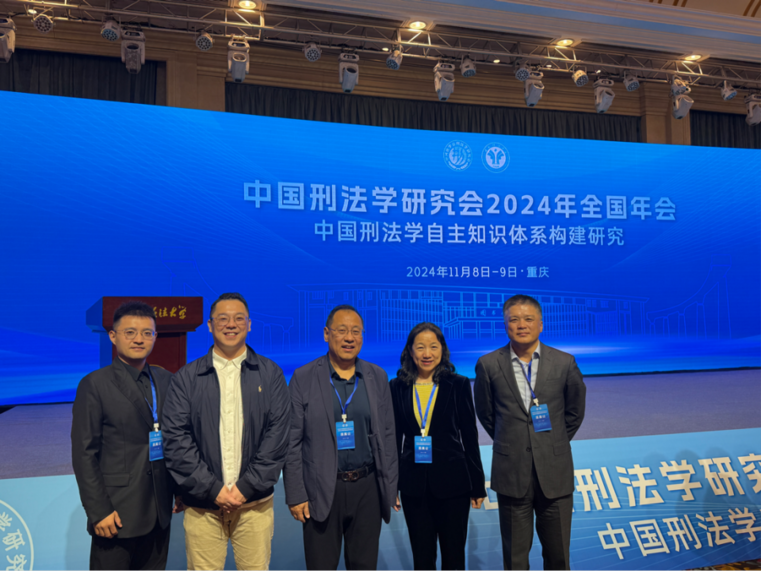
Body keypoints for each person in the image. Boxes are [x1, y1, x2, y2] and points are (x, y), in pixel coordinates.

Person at [162, 292, 291, 571]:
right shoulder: (186, 378)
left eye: (238, 318)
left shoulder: (271, 374)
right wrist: (213, 489)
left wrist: (246, 487)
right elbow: (176, 439)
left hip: (255, 506)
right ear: (210, 325)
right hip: (202, 507)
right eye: (223, 319)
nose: (231, 324)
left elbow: (278, 437)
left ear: (249, 324)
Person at [474, 294, 586, 571]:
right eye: (514, 319)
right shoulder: (488, 364)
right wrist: (514, 441)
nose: (521, 325)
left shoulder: (564, 362)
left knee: (558, 558)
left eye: (528, 319)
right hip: (511, 472)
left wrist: (550, 442)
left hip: (555, 472)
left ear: (541, 324)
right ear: (505, 325)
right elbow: (487, 414)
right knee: (515, 559)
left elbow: (574, 412)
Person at [283, 304, 398, 571]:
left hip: (367, 488)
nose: (349, 338)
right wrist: (296, 494)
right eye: (342, 330)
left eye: (356, 331)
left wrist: (390, 486)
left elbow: (388, 435)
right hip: (321, 489)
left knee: (364, 565)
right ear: (326, 334)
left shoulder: (377, 376)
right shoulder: (303, 377)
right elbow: (291, 442)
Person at [72, 301, 179, 571]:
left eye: (147, 333)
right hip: (116, 514)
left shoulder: (166, 380)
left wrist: (180, 490)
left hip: (159, 511)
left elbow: (176, 440)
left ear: (155, 337)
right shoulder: (95, 384)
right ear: (113, 336)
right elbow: (84, 454)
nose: (139, 339)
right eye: (130, 332)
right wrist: (99, 511)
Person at [390, 322, 486, 571]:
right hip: (413, 485)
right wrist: (391, 485)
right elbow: (394, 439)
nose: (427, 353)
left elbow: (469, 437)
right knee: (422, 559)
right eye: (420, 347)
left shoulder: (459, 384)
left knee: (454, 559)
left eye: (433, 346)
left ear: (442, 350)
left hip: (454, 484)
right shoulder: (397, 387)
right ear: (410, 351)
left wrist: (477, 484)